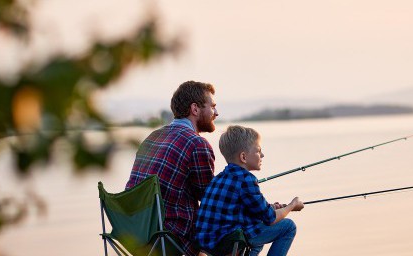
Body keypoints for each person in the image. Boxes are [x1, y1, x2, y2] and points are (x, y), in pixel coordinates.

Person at [125, 81, 219, 255]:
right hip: (171, 238)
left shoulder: (153, 137)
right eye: (212, 107)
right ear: (195, 109)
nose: (216, 113)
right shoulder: (197, 144)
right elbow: (210, 200)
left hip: (137, 235)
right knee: (239, 232)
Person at [195, 125, 304, 256]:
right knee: (288, 227)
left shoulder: (219, 178)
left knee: (257, 227)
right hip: (227, 243)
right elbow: (271, 218)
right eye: (258, 151)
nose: (262, 155)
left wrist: (271, 207)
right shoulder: (247, 179)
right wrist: (292, 206)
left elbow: (245, 209)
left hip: (207, 244)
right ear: (243, 157)